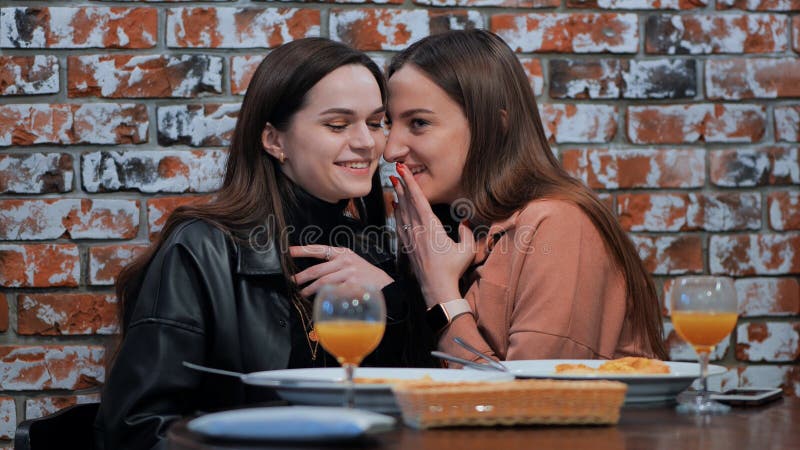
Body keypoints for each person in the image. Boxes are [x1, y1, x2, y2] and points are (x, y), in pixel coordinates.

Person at [94, 38, 432, 450]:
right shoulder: (202, 250)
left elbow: (414, 417)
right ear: (274, 140)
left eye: (376, 122)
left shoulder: (376, 253)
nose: (368, 143)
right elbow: (136, 430)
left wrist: (392, 300)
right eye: (338, 125)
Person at [384, 29, 668, 363]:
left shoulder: (559, 224)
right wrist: (390, 293)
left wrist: (442, 294)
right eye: (389, 123)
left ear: (494, 125)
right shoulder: (452, 230)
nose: (390, 150)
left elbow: (534, 401)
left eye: (418, 123)